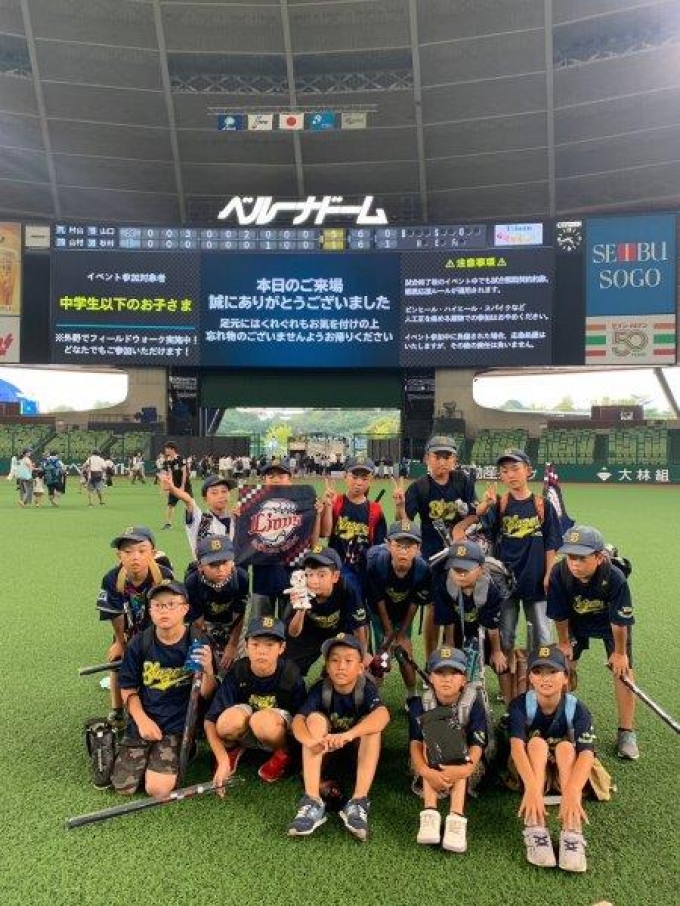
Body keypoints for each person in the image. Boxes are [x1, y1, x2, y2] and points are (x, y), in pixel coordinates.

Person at [110, 581, 216, 796]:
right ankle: (147, 753)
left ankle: (187, 748)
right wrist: (142, 720)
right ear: (150, 611)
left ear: (185, 609)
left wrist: (208, 670)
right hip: (146, 718)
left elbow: (206, 694)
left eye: (171, 604)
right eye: (158, 606)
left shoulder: (198, 640)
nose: (164, 611)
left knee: (157, 789)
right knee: (123, 787)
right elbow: (128, 688)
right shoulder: (140, 643)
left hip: (177, 725)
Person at [476, 449, 562, 705]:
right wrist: (486, 505)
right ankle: (508, 689)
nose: (510, 475)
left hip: (536, 581)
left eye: (515, 468)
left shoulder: (542, 505)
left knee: (543, 638)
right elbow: (483, 528)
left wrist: (549, 572)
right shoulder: (500, 504)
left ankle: (538, 686)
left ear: (528, 470)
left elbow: (551, 543)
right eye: (505, 471)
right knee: (506, 637)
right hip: (505, 583)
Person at [547, 526, 638, 760]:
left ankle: (626, 732)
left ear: (599, 557)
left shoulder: (614, 577)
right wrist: (564, 643)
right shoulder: (560, 573)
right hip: (576, 621)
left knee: (624, 672)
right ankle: (559, 720)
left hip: (610, 624)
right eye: (571, 557)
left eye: (582, 558)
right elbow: (559, 614)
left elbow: (620, 622)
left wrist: (620, 654)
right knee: (562, 666)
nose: (575, 564)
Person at [288, 634, 390, 840]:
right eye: (334, 660)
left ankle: (359, 801)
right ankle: (312, 800)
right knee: (314, 720)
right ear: (327, 666)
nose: (341, 666)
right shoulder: (321, 688)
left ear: (360, 668)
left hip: (357, 754)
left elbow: (383, 715)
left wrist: (348, 735)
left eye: (348, 660)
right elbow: (298, 720)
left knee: (372, 726)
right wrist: (310, 741)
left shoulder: (366, 688)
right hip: (325, 753)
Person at [507, 645, 595, 873]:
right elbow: (516, 749)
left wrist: (572, 791)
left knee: (566, 747)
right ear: (530, 678)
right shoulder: (520, 705)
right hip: (532, 773)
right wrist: (532, 789)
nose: (545, 678)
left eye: (552, 671)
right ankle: (535, 825)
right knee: (536, 744)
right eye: (538, 672)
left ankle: (571, 830)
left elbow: (587, 753)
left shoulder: (577, 709)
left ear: (566, 677)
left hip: (565, 773)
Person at [393, 436, 478, 655]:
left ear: (454, 459)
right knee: (433, 606)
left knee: (459, 603)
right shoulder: (420, 487)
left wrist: (460, 527)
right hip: (433, 556)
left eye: (447, 456)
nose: (442, 461)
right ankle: (432, 659)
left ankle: (455, 656)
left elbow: (476, 513)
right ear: (427, 459)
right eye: (437, 456)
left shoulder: (462, 481)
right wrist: (400, 506)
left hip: (461, 554)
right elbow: (405, 525)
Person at [204, 616, 307, 787]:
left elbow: (302, 717)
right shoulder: (239, 671)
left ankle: (282, 754)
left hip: (275, 730)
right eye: (255, 644)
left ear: (282, 648)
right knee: (227, 722)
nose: (262, 651)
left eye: (270, 645)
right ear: (246, 646)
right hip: (247, 728)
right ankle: (232, 749)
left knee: (262, 721)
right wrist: (221, 759)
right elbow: (210, 720)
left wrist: (294, 751)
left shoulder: (290, 673)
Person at [409, 647, 488, 853]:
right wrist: (425, 771)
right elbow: (415, 743)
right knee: (432, 737)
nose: (447, 679)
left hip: (469, 765)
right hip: (427, 764)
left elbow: (477, 745)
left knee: (456, 745)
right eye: (440, 672)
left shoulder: (473, 703)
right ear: (430, 678)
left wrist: (466, 769)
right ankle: (430, 813)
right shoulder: (421, 703)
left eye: (454, 673)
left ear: (464, 679)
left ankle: (456, 817)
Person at [96, 526, 173, 727]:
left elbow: (170, 611)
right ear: (119, 556)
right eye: (128, 551)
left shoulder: (164, 576)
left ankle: (162, 703)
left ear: (152, 553)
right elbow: (115, 614)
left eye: (141, 550)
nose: (135, 557)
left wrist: (163, 640)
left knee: (163, 663)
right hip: (128, 632)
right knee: (117, 662)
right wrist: (120, 643)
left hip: (157, 631)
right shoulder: (112, 578)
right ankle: (117, 710)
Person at [365, 521, 432, 697]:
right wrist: (388, 634)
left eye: (409, 547)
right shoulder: (377, 564)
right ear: (388, 545)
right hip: (380, 614)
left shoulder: (423, 570)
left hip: (403, 615)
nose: (404, 551)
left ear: (418, 549)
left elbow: (414, 603)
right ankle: (372, 696)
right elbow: (378, 600)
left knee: (405, 656)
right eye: (399, 546)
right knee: (382, 659)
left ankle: (412, 695)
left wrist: (402, 635)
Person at [286, 548, 369, 676]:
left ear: (335, 576)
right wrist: (301, 610)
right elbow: (293, 633)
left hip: (340, 632)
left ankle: (331, 676)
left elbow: (359, 628)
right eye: (310, 574)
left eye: (321, 575)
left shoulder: (346, 588)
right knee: (289, 669)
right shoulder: (300, 590)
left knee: (362, 664)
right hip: (309, 633)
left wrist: (361, 658)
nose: (314, 581)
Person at [432, 539, 507, 675]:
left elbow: (492, 627)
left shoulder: (491, 589)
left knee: (502, 666)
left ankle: (507, 689)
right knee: (450, 664)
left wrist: (496, 651)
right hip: (456, 630)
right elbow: (448, 620)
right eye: (456, 569)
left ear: (481, 569)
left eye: (466, 570)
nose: (461, 575)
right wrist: (449, 644)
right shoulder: (444, 584)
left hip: (484, 630)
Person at [318, 457, 387, 599]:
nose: (359, 482)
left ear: (371, 480)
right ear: (345, 477)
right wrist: (328, 506)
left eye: (364, 478)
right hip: (338, 567)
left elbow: (379, 546)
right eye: (354, 477)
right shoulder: (336, 502)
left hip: (364, 570)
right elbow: (324, 533)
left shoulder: (375, 509)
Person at [186, 535, 248, 674]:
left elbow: (239, 615)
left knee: (241, 663)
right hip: (206, 622)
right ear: (200, 566)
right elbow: (198, 623)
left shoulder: (241, 578)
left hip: (232, 621)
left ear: (232, 561)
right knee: (203, 661)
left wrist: (232, 645)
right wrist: (214, 646)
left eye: (225, 562)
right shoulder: (192, 582)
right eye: (213, 564)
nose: (220, 568)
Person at [160, 472, 235, 557]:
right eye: (214, 492)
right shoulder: (201, 520)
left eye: (224, 491)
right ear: (205, 499)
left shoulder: (236, 519)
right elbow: (188, 500)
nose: (221, 496)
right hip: (204, 565)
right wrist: (172, 489)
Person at [159, 442, 191, 529]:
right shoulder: (167, 461)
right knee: (170, 505)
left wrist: (183, 486)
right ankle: (168, 524)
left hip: (185, 485)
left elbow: (184, 473)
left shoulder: (180, 458)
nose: (165, 450)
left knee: (189, 503)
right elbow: (165, 474)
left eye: (167, 449)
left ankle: (190, 522)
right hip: (173, 486)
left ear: (172, 449)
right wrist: (165, 488)